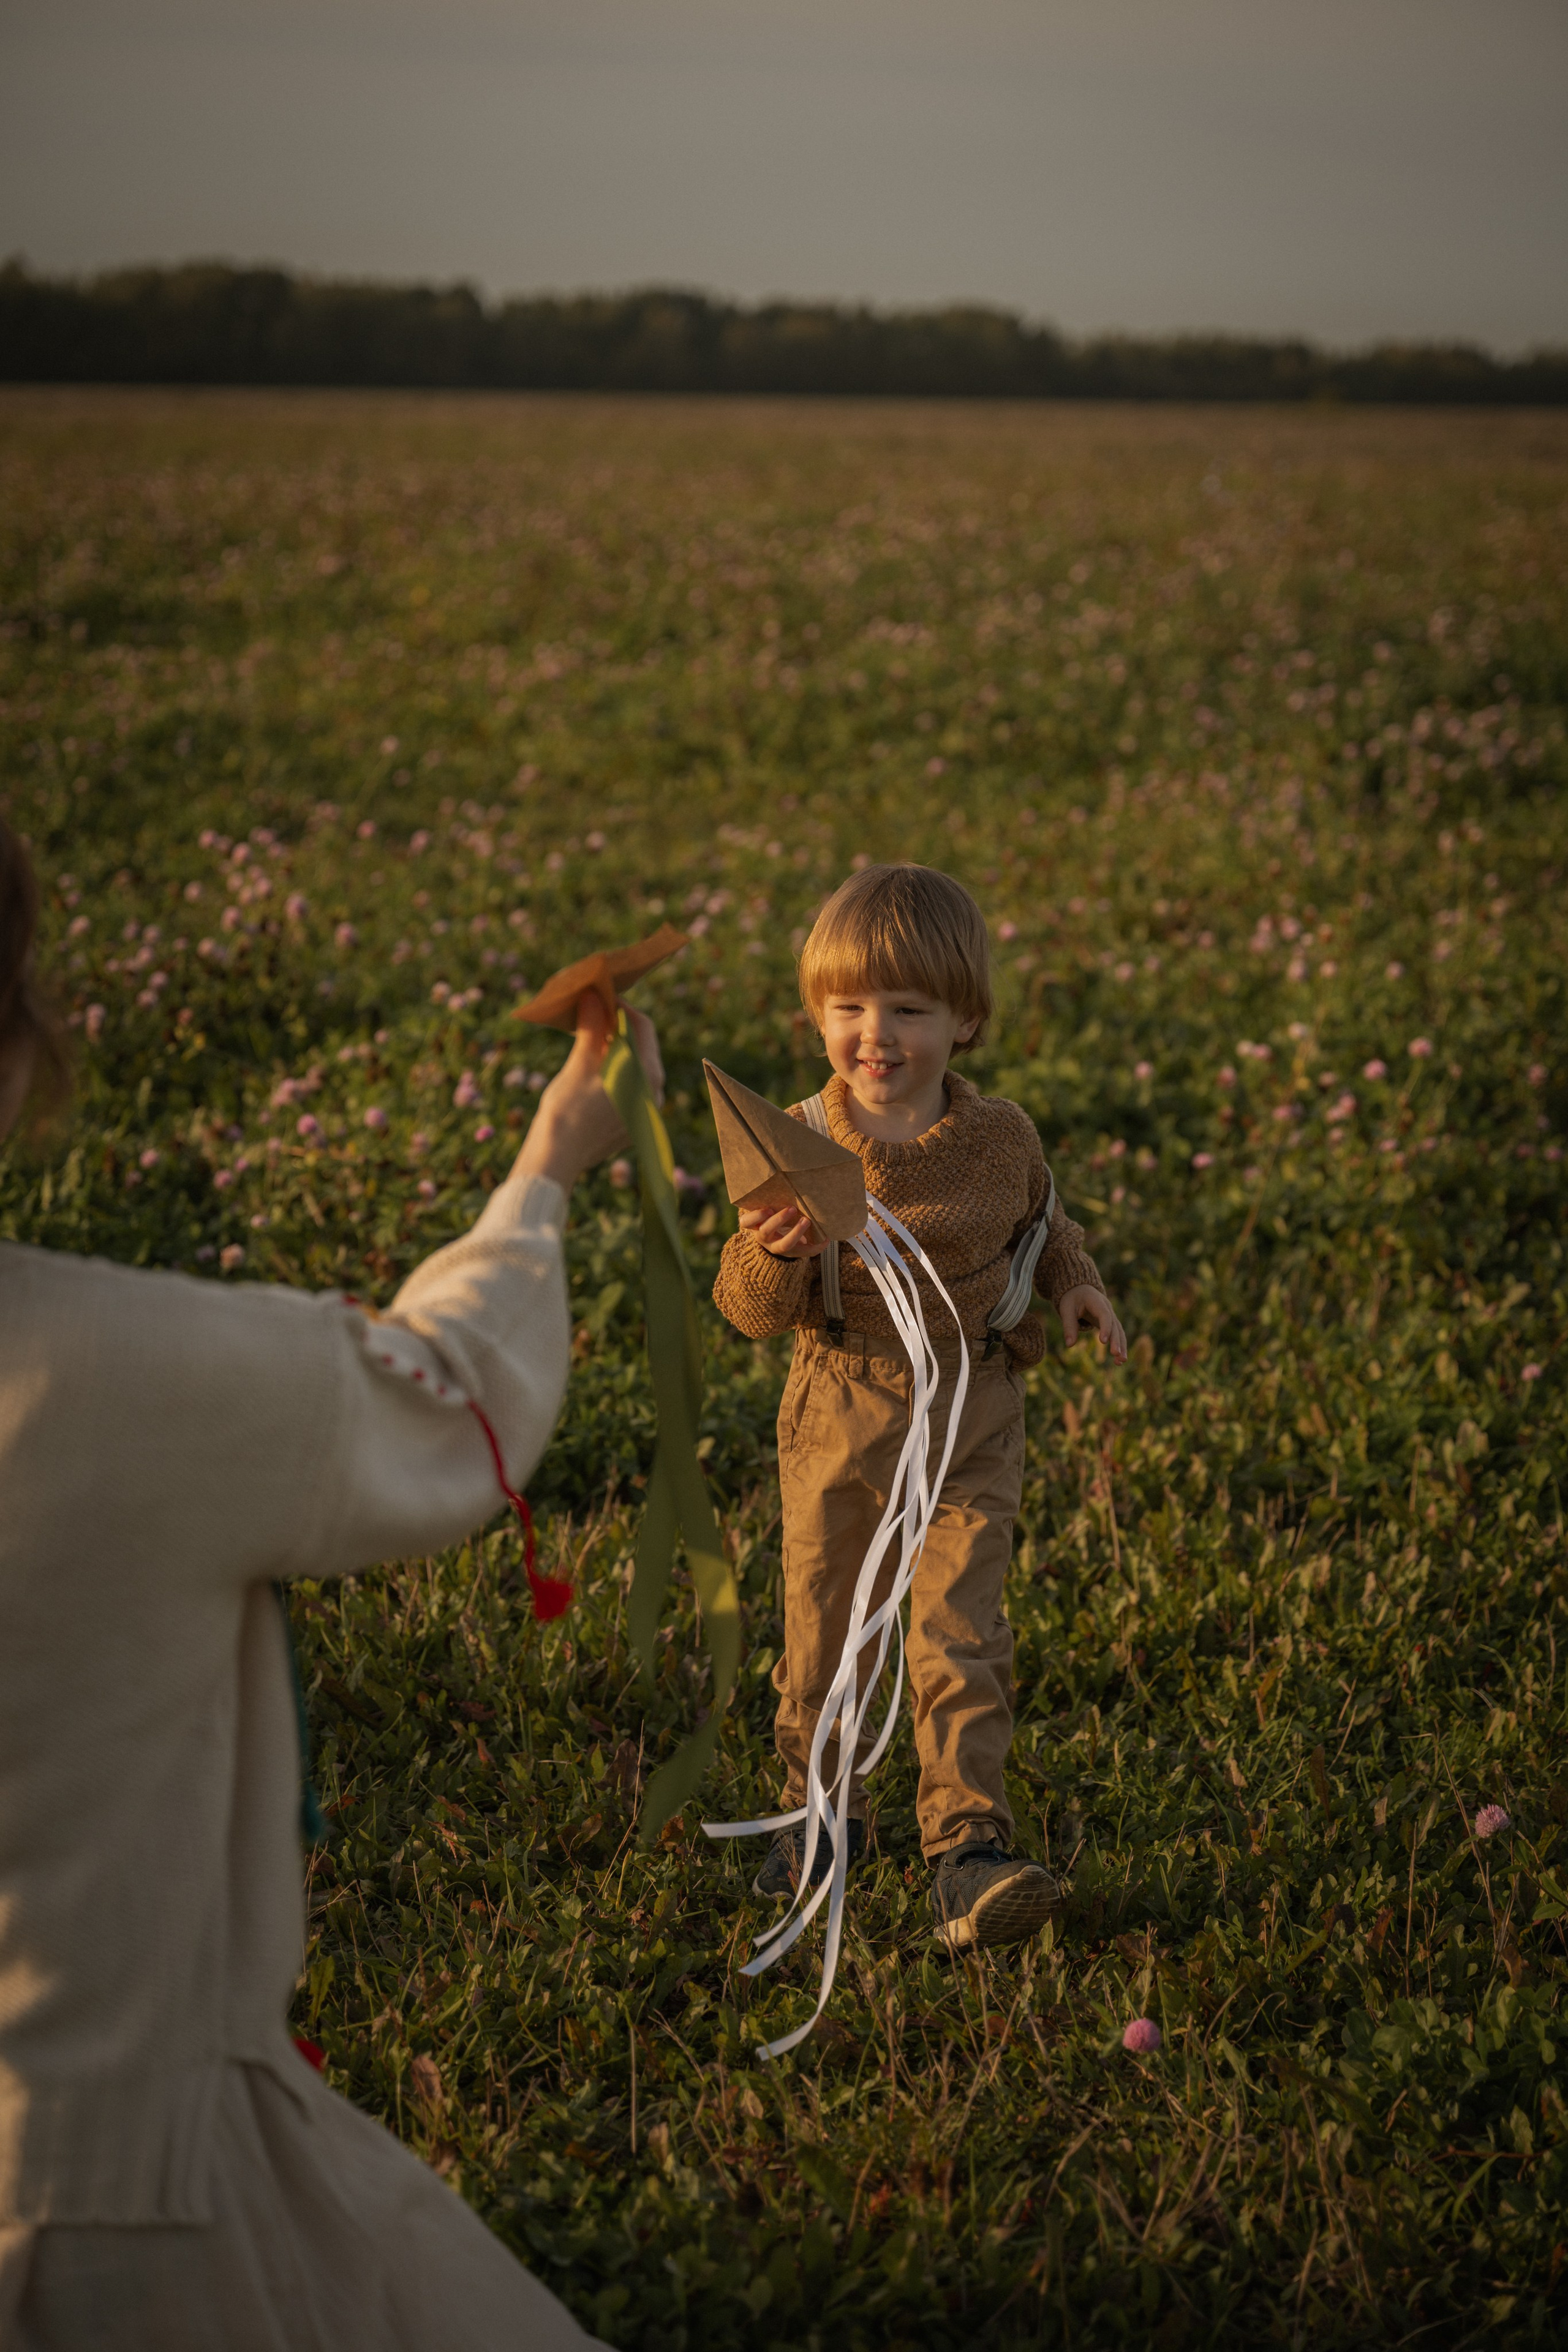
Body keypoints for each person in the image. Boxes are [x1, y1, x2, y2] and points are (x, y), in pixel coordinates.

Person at [0, 812, 646, 2350]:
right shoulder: (119, 1374)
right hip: (108, 2187)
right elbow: (454, 1397)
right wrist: (547, 1168)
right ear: (16, 1055)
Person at [712, 863, 1127, 1955]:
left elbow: (1043, 1223)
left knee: (960, 1625)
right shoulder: (799, 1145)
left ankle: (967, 1847)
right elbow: (749, 1311)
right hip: (846, 1401)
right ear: (817, 1017)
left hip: (974, 1405)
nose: (876, 1034)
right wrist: (771, 1253)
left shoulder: (1001, 1142)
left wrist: (1077, 1278)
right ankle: (822, 1816)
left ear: (966, 1020)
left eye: (908, 1009)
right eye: (848, 1008)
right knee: (831, 1619)